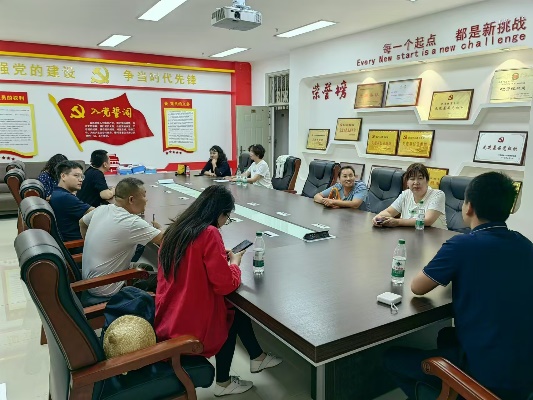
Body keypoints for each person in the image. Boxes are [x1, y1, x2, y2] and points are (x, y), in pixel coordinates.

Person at [384, 172, 533, 400]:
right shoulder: (525, 244)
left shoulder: (462, 245)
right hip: (524, 369)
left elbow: (417, 287)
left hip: (487, 378)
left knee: (392, 358)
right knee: (446, 335)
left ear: (469, 207)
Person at [155, 185, 282, 397]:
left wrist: (218, 255)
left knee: (233, 309)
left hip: (168, 315)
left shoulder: (176, 230)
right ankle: (224, 382)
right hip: (188, 325)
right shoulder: (209, 232)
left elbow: (190, 260)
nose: (224, 223)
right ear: (220, 213)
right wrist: (234, 264)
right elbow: (225, 284)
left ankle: (257, 357)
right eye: (227, 218)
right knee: (229, 314)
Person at [79, 177, 163, 298]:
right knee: (164, 279)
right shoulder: (131, 222)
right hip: (107, 288)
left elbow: (82, 223)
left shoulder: (102, 209)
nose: (146, 200)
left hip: (89, 281)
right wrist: (160, 228)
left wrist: (91, 244)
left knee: (147, 268)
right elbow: (164, 239)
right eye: (144, 195)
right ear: (131, 199)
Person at [372, 163, 447, 229]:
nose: (416, 182)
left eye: (420, 178)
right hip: (410, 235)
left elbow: (428, 220)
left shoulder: (437, 194)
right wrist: (378, 217)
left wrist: (398, 222)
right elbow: (389, 212)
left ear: (427, 181)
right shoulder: (405, 194)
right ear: (407, 182)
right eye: (412, 179)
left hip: (435, 237)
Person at [49, 161, 94, 242]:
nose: (80, 180)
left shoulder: (57, 193)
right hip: (78, 243)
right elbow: (97, 213)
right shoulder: (65, 197)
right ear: (63, 176)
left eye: (82, 176)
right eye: (76, 176)